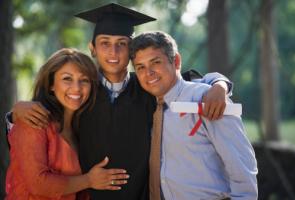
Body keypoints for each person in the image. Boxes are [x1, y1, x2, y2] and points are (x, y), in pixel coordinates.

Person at [6, 3, 234, 200]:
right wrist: (15, 112)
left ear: (132, 51)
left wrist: (220, 85)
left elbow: (193, 83)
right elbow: (45, 126)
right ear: (92, 48)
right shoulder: (83, 92)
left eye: (122, 43)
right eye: (104, 42)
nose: (113, 51)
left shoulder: (148, 87)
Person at [130, 31, 258, 200]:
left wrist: (220, 86)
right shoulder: (146, 105)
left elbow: (242, 169)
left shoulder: (206, 99)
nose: (149, 73)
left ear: (176, 61)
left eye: (156, 62)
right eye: (141, 67)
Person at [5, 48, 129, 200]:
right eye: (67, 79)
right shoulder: (33, 121)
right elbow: (38, 184)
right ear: (51, 84)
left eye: (84, 80)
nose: (76, 88)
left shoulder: (83, 127)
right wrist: (89, 180)